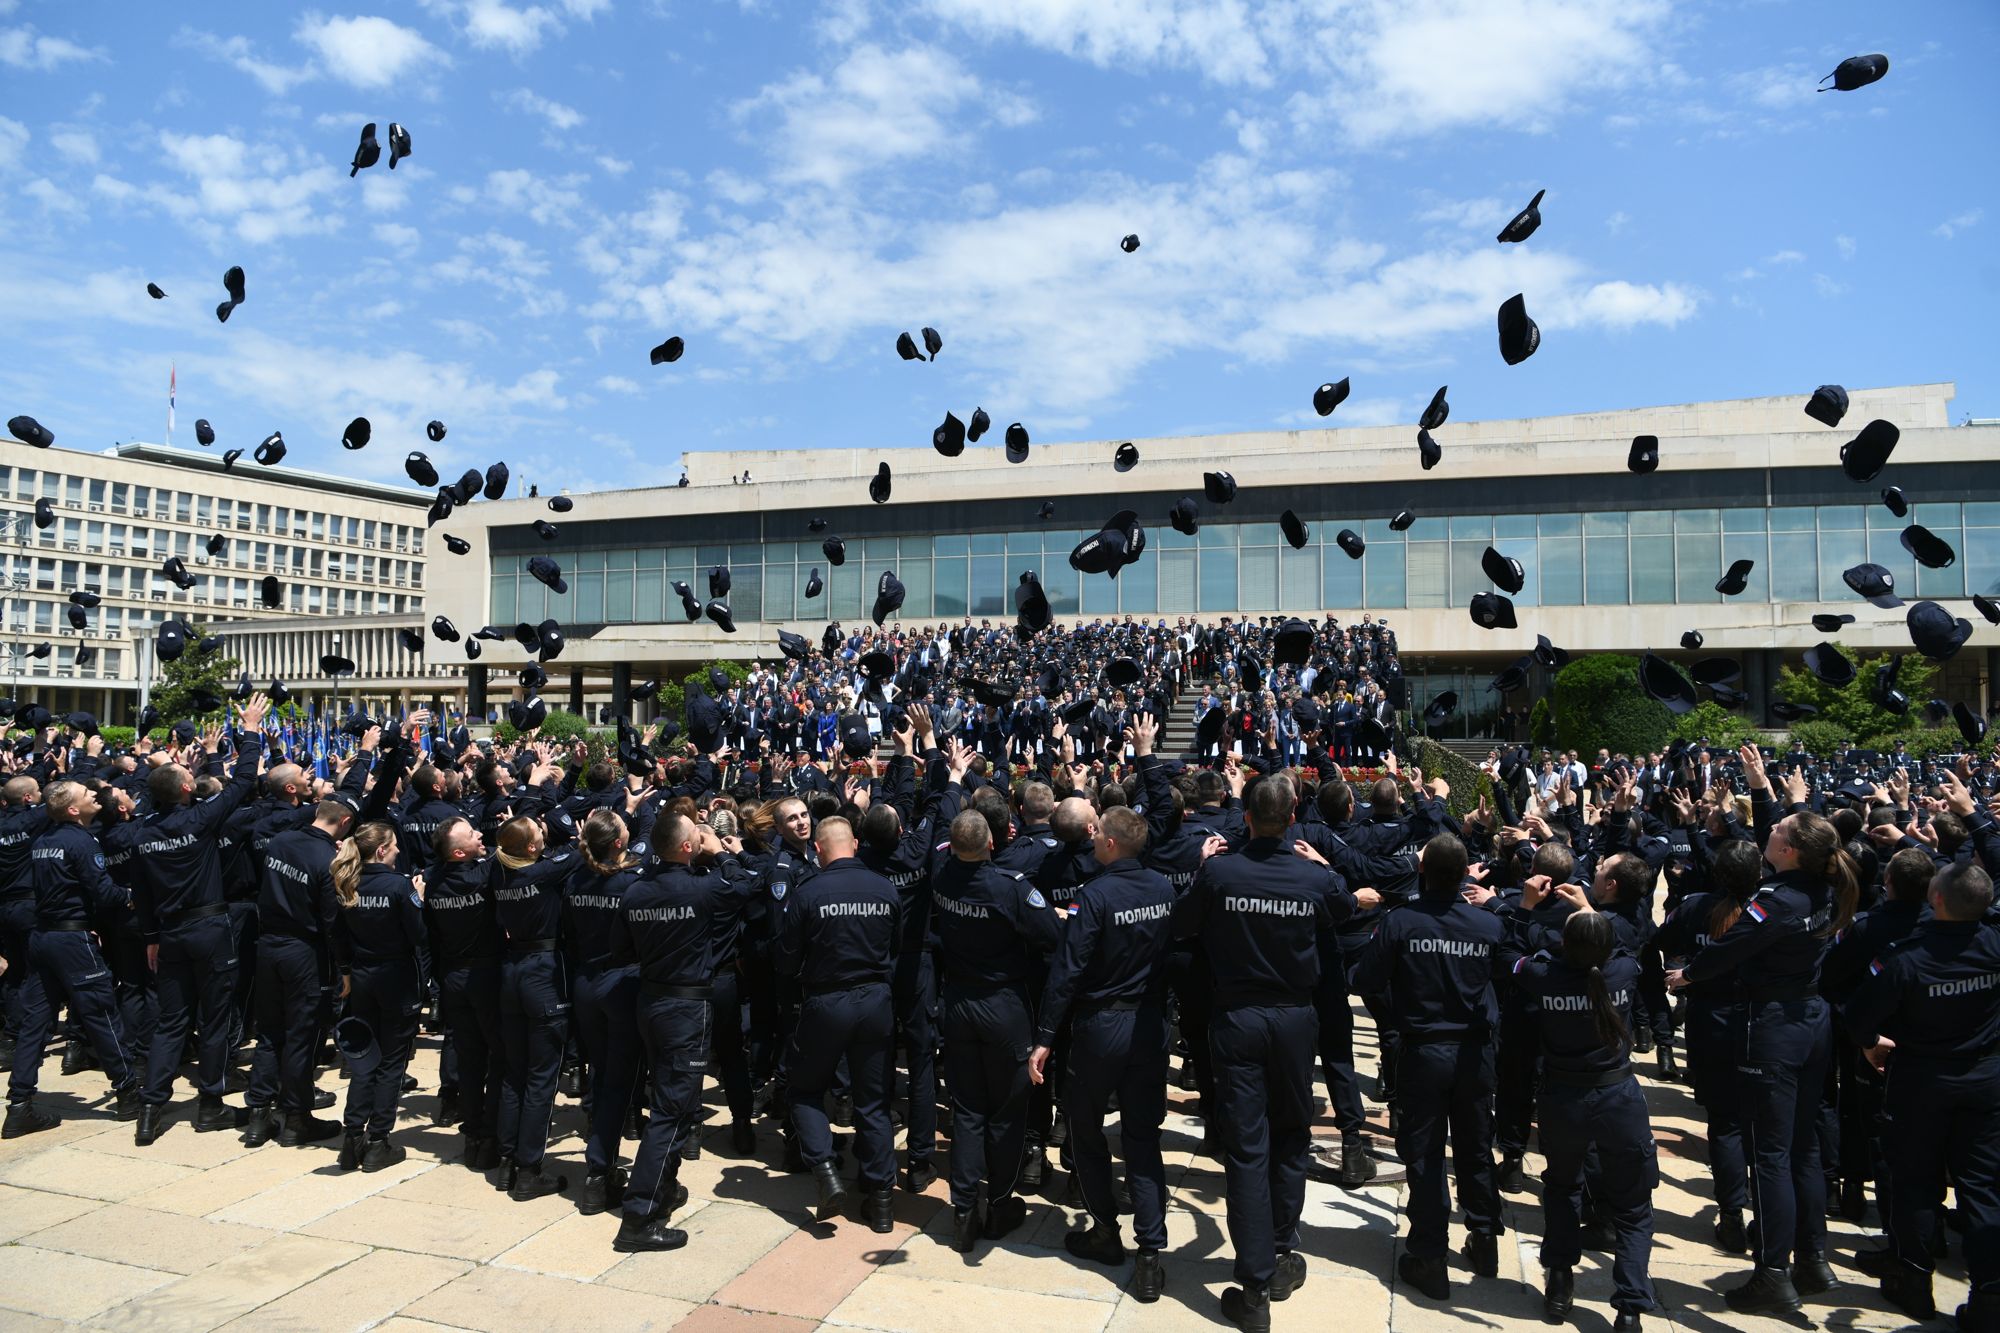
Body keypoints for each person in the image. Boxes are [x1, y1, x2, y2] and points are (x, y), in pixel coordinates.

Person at [1668, 744, 1857, 1315]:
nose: (1766, 835)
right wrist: (1761, 786)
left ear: (1791, 850)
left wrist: (1689, 976)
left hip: (1773, 1026)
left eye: (1778, 832)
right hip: (1810, 1019)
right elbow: (1786, 828)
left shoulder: (1776, 900)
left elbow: (1730, 949)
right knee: (1801, 1150)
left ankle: (1773, 1270)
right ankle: (1813, 1254)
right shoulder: (1822, 885)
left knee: (1769, 1155)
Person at [1174, 773, 1361, 1330]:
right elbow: (1346, 909)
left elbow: (1183, 924)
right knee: (1289, 1134)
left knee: (1249, 1147)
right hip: (1291, 1020)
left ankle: (1256, 1282)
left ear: (1247, 817)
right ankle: (1277, 1253)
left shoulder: (1219, 872)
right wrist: (1328, 872)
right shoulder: (1311, 875)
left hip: (1239, 1018)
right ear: (1294, 816)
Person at [1842, 860, 2000, 1329]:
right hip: (1983, 1081)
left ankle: (1912, 1279)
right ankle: (1990, 1295)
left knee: (1914, 1182)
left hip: (1921, 1084)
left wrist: (1871, 1045)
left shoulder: (1907, 958)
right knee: (1983, 1187)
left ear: (1936, 902)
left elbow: (1858, 1016)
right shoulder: (1993, 944)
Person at [1030, 798, 1175, 1300]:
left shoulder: (1095, 896)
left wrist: (1046, 1036)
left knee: (1086, 1129)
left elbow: (1067, 970)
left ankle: (1106, 1231)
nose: (1092, 843)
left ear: (1111, 844)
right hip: (1148, 1025)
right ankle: (1151, 1252)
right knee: (1142, 1136)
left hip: (1102, 1026)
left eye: (1097, 838)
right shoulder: (1161, 888)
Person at [1352, 831, 1504, 1303]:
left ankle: (1430, 1254)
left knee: (1426, 1154)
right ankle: (1483, 1237)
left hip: (1424, 1051)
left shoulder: (1401, 922)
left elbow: (1366, 979)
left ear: (1421, 871)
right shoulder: (1487, 926)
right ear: (1464, 876)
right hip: (1473, 1054)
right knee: (1475, 1147)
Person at [131, 695, 272, 1142]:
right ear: (187, 791)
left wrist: (151, 937)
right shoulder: (199, 821)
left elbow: (143, 893)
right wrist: (250, 730)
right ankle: (209, 1105)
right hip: (210, 928)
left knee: (171, 1023)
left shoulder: (143, 834)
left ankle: (151, 1109)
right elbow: (244, 780)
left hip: (169, 933)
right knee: (213, 1020)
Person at [1512, 908, 1656, 1331]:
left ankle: (1559, 1279)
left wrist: (1525, 912)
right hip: (1617, 1099)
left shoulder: (1545, 976)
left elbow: (1514, 956)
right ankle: (1629, 1306)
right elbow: (1632, 938)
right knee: (1632, 1207)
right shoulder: (1624, 971)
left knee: (1561, 1187)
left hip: (1563, 1100)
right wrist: (1591, 911)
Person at [930, 807, 1060, 1251]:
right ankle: (999, 1203)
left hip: (960, 1002)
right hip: (1003, 1005)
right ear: (990, 843)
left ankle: (964, 1209)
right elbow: (1051, 936)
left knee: (967, 1109)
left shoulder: (944, 877)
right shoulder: (1010, 887)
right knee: (1005, 1111)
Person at [776, 816, 902, 1230]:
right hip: (875, 1001)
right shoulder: (885, 888)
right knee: (873, 1102)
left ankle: (826, 1172)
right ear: (855, 843)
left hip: (826, 1002)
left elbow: (787, 958)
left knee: (805, 1090)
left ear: (818, 849)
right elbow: (894, 949)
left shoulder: (808, 892)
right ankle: (882, 1201)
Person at [607, 812, 724, 1253]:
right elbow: (746, 887)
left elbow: (622, 948)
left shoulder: (635, 891)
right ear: (689, 848)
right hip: (685, 1007)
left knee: (675, 1102)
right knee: (672, 1112)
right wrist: (721, 855)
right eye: (698, 835)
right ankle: (638, 1217)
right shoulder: (702, 885)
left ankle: (664, 1188)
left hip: (653, 1002)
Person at [3, 779, 143, 1136]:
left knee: (35, 1021)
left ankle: (19, 1103)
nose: (95, 795)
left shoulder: (43, 842)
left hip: (44, 937)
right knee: (101, 1012)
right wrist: (133, 894)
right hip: (69, 940)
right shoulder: (80, 841)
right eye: (86, 794)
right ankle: (128, 1092)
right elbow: (103, 890)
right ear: (72, 810)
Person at [244, 795, 356, 1148]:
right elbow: (331, 921)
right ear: (345, 823)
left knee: (270, 1032)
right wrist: (345, 968)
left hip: (268, 947)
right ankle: (296, 1118)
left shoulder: (279, 842)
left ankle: (258, 1115)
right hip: (303, 952)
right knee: (301, 1036)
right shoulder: (328, 860)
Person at [331, 819, 429, 1172]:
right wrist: (419, 899)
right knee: (390, 1063)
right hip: (396, 978)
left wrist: (344, 971)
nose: (400, 850)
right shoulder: (398, 887)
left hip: (363, 978)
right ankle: (377, 1142)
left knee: (365, 1062)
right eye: (395, 845)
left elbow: (338, 936)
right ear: (383, 849)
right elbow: (418, 936)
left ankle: (352, 1135)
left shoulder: (347, 882)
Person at [563, 808, 647, 1214]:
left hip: (586, 983)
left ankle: (601, 1152)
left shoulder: (575, 879)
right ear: (617, 842)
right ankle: (599, 1172)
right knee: (617, 1081)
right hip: (618, 984)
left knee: (601, 1074)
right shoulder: (629, 883)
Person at [491, 815, 576, 1201]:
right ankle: (528, 1169)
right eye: (539, 834)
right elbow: (581, 850)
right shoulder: (542, 874)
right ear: (530, 848)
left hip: (510, 973)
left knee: (514, 1074)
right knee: (542, 1078)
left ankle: (507, 1161)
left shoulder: (499, 871)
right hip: (542, 973)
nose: (545, 834)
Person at [424, 817, 503, 1170]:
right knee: (498, 1057)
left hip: (452, 977)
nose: (480, 834)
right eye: (473, 835)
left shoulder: (432, 880)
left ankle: (473, 1133)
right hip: (483, 976)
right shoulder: (483, 875)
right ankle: (491, 1134)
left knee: (469, 1061)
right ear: (458, 851)